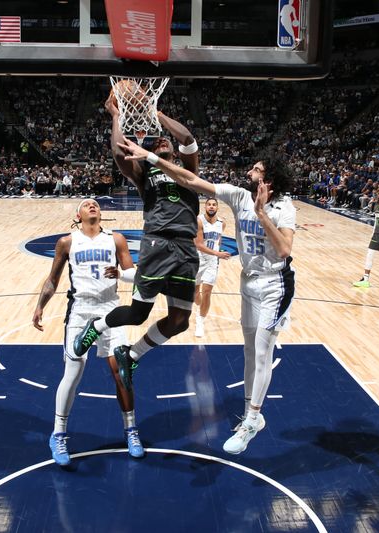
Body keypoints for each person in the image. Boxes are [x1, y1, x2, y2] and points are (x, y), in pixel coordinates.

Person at [115, 138, 296, 455]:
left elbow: (284, 250)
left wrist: (262, 215)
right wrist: (151, 159)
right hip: (248, 282)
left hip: (275, 284)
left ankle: (252, 420)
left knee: (264, 352)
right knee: (251, 352)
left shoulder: (285, 208)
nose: (249, 171)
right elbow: (191, 180)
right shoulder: (239, 196)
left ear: (268, 180)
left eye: (256, 170)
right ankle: (250, 415)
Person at [72, 95, 200, 389]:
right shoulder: (146, 173)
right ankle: (97, 326)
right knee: (138, 314)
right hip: (158, 243)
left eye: (166, 143)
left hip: (186, 248)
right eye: (157, 144)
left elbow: (189, 139)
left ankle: (131, 355)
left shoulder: (188, 172)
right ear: (150, 152)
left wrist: (158, 114)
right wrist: (116, 116)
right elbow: (119, 153)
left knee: (180, 321)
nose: (163, 143)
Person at [33, 199, 142, 465]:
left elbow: (133, 274)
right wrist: (40, 306)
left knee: (122, 372)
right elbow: (53, 280)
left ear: (100, 213)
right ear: (78, 214)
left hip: (110, 310)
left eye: (95, 204)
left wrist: (121, 274)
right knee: (73, 371)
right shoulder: (66, 242)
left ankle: (131, 431)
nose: (92, 205)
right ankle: (58, 434)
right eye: (86, 204)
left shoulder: (116, 239)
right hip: (80, 311)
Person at [194, 198, 230, 337]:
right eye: (209, 204)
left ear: (217, 208)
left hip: (212, 261)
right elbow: (199, 244)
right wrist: (217, 253)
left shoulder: (222, 223)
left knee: (207, 291)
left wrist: (216, 254)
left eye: (214, 205)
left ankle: (200, 321)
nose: (211, 207)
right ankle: (199, 307)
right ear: (205, 207)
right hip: (198, 258)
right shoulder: (199, 221)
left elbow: (218, 240)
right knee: (195, 294)